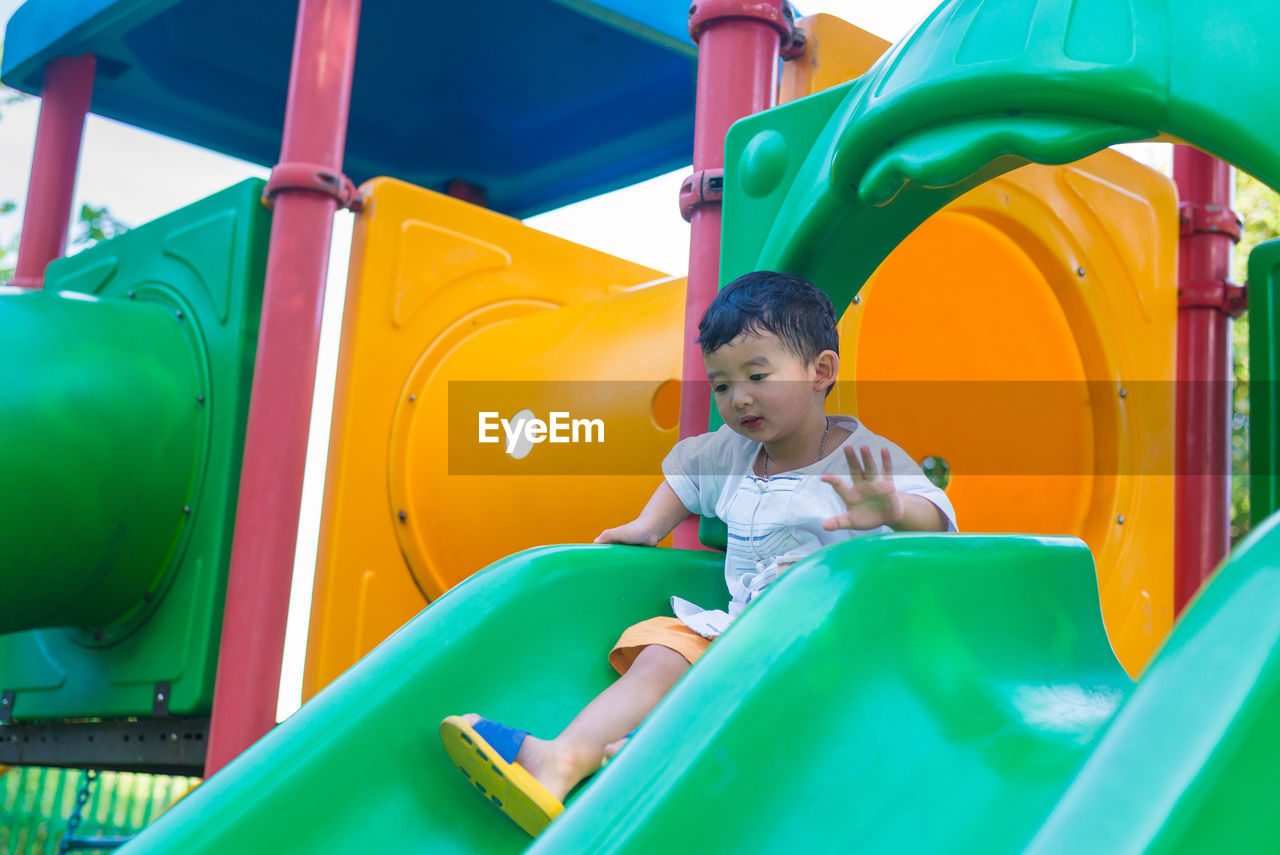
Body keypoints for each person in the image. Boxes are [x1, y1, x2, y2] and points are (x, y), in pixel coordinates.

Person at [440, 271, 957, 836]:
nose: (739, 398)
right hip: (742, 630)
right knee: (664, 649)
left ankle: (656, 751)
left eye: (757, 375)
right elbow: (685, 473)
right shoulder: (734, 453)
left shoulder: (863, 457)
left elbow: (937, 519)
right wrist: (648, 525)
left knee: (745, 688)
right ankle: (558, 763)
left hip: (832, 638)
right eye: (721, 385)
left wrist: (891, 510)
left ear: (821, 371)